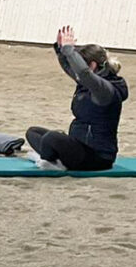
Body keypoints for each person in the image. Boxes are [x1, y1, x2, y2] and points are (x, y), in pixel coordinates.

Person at [26, 26, 128, 171]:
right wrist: (61, 50)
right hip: (79, 147)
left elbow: (83, 72)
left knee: (52, 138)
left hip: (97, 158)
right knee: (33, 132)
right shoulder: (87, 82)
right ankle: (55, 158)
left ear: (92, 66)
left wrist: (70, 51)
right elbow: (70, 68)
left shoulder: (105, 90)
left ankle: (53, 162)